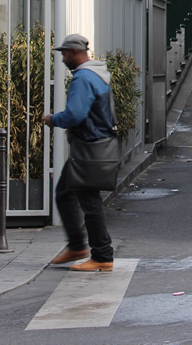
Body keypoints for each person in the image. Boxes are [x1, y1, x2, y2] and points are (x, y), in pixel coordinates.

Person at [43, 33, 115, 272]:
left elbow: (75, 114)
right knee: (66, 193)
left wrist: (53, 119)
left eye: (64, 53)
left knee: (88, 201)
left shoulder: (83, 78)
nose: (62, 58)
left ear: (74, 52)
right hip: (94, 145)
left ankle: (101, 255)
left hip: (88, 146)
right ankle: (78, 246)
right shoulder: (98, 74)